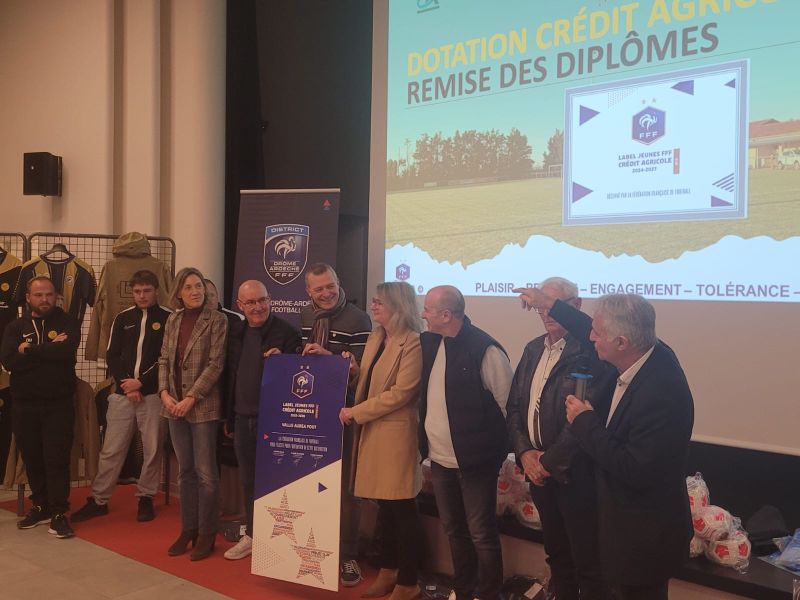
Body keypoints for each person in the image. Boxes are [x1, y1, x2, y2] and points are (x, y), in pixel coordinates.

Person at [516, 289, 694, 600]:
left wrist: (585, 423)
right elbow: (587, 327)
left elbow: (633, 468)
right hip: (626, 528)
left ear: (621, 343)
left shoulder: (661, 391)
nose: (590, 338)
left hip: (644, 538)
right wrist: (551, 305)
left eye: (597, 334)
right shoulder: (648, 352)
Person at [506, 278, 614, 600]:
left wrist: (548, 462)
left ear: (576, 306)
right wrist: (525, 453)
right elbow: (515, 408)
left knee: (589, 563)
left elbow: (586, 417)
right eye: (540, 306)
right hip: (540, 473)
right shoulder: (533, 349)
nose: (546, 312)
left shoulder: (592, 351)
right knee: (557, 558)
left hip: (576, 475)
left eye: (552, 304)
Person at [419, 285, 512, 600]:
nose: (423, 315)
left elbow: (508, 405)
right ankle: (464, 589)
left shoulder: (485, 349)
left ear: (446, 315)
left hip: (476, 463)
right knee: (454, 531)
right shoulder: (431, 343)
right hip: (440, 459)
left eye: (428, 309)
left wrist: (499, 453)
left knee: (481, 534)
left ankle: (489, 594)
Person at [339, 282, 423, 600]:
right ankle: (388, 572)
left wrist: (355, 412)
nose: (373, 306)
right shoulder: (377, 336)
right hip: (374, 431)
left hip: (396, 435)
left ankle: (409, 582)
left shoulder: (413, 342)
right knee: (385, 509)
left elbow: (402, 393)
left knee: (402, 509)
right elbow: (369, 381)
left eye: (379, 302)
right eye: (373, 301)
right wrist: (353, 371)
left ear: (398, 306)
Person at [71, 270, 171, 524]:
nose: (142, 296)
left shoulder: (169, 318)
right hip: (122, 394)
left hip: (153, 395)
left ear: (156, 291)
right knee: (111, 449)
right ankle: (99, 499)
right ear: (132, 293)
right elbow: (112, 355)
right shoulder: (123, 318)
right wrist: (129, 385)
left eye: (146, 291)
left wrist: (142, 383)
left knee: (152, 449)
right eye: (137, 291)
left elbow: (166, 358)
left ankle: (146, 496)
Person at [301, 262, 372, 586]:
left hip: (346, 413)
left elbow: (362, 375)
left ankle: (348, 555)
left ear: (338, 281)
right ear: (309, 292)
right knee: (313, 483)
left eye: (330, 286)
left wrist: (329, 358)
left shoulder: (359, 319)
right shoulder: (306, 315)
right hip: (312, 412)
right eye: (319, 289)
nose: (326, 293)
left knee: (347, 489)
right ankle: (318, 547)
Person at [223, 279, 301, 560]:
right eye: (251, 302)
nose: (258, 307)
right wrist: (229, 417)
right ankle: (253, 535)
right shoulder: (236, 332)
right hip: (242, 419)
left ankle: (281, 542)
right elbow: (230, 376)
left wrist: (285, 361)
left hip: (275, 422)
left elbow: (301, 380)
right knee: (248, 481)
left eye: (262, 300)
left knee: (280, 483)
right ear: (240, 305)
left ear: (270, 300)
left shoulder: (287, 334)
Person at [0, 276, 80, 538]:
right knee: (33, 458)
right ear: (28, 297)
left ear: (56, 296)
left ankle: (58, 513)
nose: (45, 299)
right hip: (25, 406)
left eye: (49, 294)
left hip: (59, 405)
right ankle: (41, 506)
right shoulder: (15, 327)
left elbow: (65, 353)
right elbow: (9, 361)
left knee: (56, 459)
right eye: (39, 295)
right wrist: (48, 351)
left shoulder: (67, 322)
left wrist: (29, 350)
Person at [159, 267, 228, 560]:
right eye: (188, 287)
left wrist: (191, 398)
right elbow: (164, 359)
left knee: (206, 475)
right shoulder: (173, 319)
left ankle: (207, 533)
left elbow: (216, 364)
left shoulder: (218, 320)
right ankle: (188, 529)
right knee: (184, 472)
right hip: (173, 406)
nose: (195, 291)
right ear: (178, 293)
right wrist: (164, 393)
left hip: (202, 406)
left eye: (198, 285)